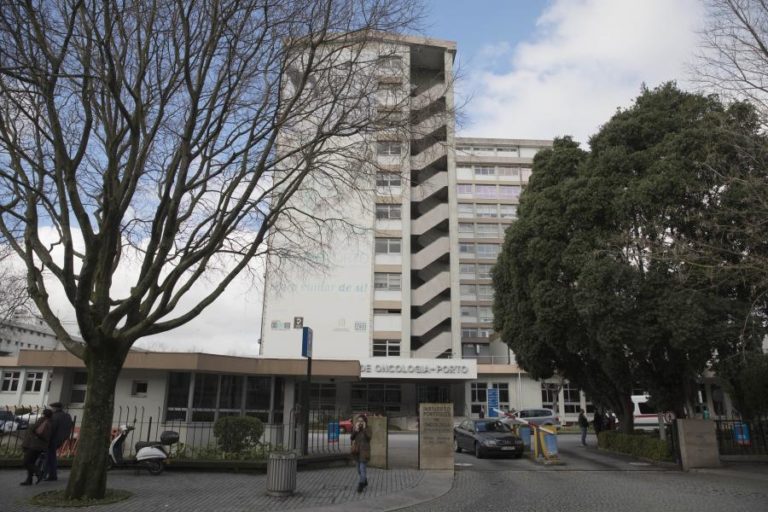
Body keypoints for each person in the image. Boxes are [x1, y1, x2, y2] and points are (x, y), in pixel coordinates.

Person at [21, 409, 52, 486]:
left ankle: (39, 473)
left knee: (26, 462)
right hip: (40, 446)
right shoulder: (50, 422)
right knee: (31, 462)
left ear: (44, 414)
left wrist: (31, 426)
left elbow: (33, 429)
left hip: (34, 445)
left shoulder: (42, 420)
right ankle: (29, 480)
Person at [45, 402, 73, 481]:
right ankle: (50, 473)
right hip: (61, 439)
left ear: (55, 408)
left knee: (50, 456)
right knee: (52, 456)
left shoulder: (54, 416)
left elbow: (51, 429)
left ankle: (51, 474)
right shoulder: (67, 416)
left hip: (53, 439)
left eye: (52, 408)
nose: (51, 410)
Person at [350, 414, 372, 493]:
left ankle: (361, 485)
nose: (360, 422)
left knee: (362, 469)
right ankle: (365, 480)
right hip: (357, 452)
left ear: (365, 421)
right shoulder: (356, 429)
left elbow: (369, 437)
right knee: (359, 470)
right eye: (358, 421)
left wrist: (365, 428)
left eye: (361, 421)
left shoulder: (368, 429)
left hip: (364, 452)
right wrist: (355, 430)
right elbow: (351, 438)